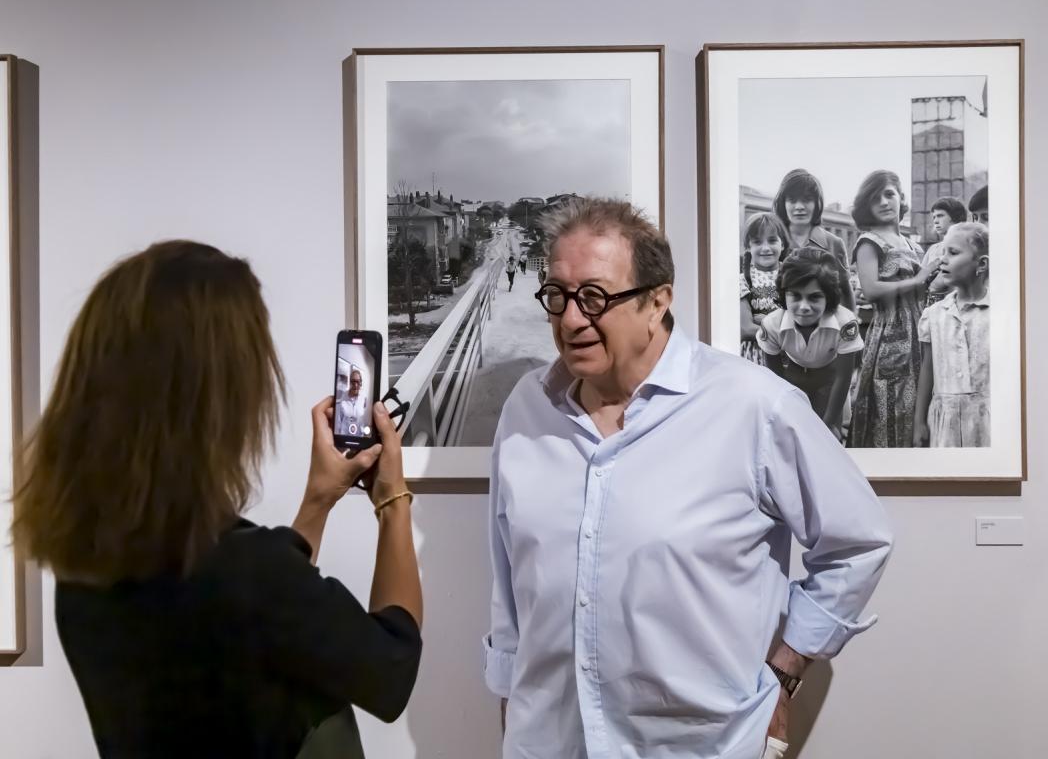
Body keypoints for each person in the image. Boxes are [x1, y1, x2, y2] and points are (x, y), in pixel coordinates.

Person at [488, 198, 892, 759]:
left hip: (701, 747)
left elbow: (859, 542)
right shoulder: (526, 409)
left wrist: (787, 671)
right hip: (550, 743)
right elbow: (511, 585)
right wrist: (511, 710)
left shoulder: (753, 406)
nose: (571, 319)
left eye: (595, 297)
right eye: (557, 296)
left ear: (658, 302)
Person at [11, 241, 423, 758]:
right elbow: (392, 670)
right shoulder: (249, 574)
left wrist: (317, 502)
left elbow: (247, 618)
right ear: (218, 396)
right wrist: (392, 498)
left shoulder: (85, 577)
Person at [848, 170, 939, 449]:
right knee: (891, 405)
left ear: (901, 197)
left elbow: (922, 289)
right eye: (875, 198)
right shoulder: (869, 241)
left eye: (889, 194)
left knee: (920, 404)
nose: (884, 202)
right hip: (890, 334)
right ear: (867, 206)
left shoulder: (912, 243)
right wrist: (917, 279)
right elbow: (871, 289)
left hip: (919, 331)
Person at [757, 248, 864, 441]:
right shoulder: (772, 324)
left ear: (829, 297)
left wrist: (828, 424)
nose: (804, 307)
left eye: (814, 297)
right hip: (793, 379)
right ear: (784, 294)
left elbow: (843, 377)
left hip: (830, 381)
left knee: (830, 439)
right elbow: (775, 378)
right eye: (795, 296)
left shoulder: (845, 322)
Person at [914, 223, 990, 447]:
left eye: (953, 253)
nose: (942, 259)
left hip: (988, 420)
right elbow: (927, 370)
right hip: (944, 421)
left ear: (982, 264)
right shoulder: (934, 315)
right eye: (943, 251)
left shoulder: (1000, 313)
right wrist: (919, 421)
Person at [771, 168, 855, 311]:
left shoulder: (834, 243)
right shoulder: (772, 243)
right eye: (792, 200)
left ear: (818, 203)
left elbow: (846, 293)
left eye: (807, 200)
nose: (799, 207)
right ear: (783, 203)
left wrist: (849, 326)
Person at [739, 211, 787, 365]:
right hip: (756, 361)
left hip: (789, 360)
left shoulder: (793, 276)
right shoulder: (743, 280)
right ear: (748, 246)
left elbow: (804, 321)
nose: (765, 248)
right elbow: (745, 329)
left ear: (783, 244)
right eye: (758, 242)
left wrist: (764, 321)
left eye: (772, 241)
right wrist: (788, 333)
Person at [923, 196, 968, 306]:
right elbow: (920, 280)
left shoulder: (968, 246)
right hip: (932, 307)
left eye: (940, 216)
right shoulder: (933, 249)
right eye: (934, 217)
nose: (935, 221)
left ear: (955, 217)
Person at [336, 366, 369, 437]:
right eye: (353, 381)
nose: (355, 385)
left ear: (361, 383)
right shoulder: (343, 397)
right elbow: (339, 420)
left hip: (359, 437)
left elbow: (365, 418)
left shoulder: (364, 398)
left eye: (358, 381)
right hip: (345, 437)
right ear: (350, 382)